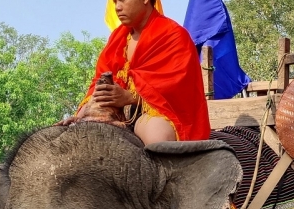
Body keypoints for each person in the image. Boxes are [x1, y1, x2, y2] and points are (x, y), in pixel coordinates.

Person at [59, 0, 210, 145]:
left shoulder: (174, 35)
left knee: (158, 136)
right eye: (115, 2)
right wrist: (80, 115)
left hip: (157, 113)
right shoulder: (116, 39)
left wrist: (130, 97)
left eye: (123, 0)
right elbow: (99, 84)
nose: (117, 7)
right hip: (116, 112)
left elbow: (178, 89)